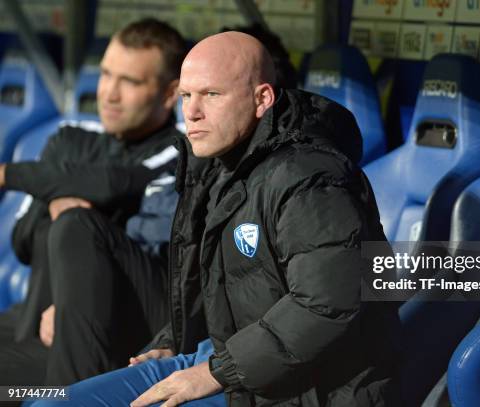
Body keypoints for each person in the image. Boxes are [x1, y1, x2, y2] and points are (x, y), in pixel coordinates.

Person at [33, 31, 400, 407]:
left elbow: (328, 302)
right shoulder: (215, 167)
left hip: (304, 387)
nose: (191, 112)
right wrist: (171, 342)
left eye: (211, 95)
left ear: (263, 99)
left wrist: (214, 373)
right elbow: (217, 289)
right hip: (224, 358)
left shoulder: (309, 177)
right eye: (186, 96)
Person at [0, 18, 187, 385]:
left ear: (169, 93)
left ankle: (74, 393)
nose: (109, 93)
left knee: (76, 225)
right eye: (105, 75)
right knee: (64, 222)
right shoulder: (70, 139)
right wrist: (60, 198)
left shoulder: (182, 147)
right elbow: (22, 240)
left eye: (130, 81)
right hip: (38, 319)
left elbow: (117, 181)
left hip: (133, 324)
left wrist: (15, 175)